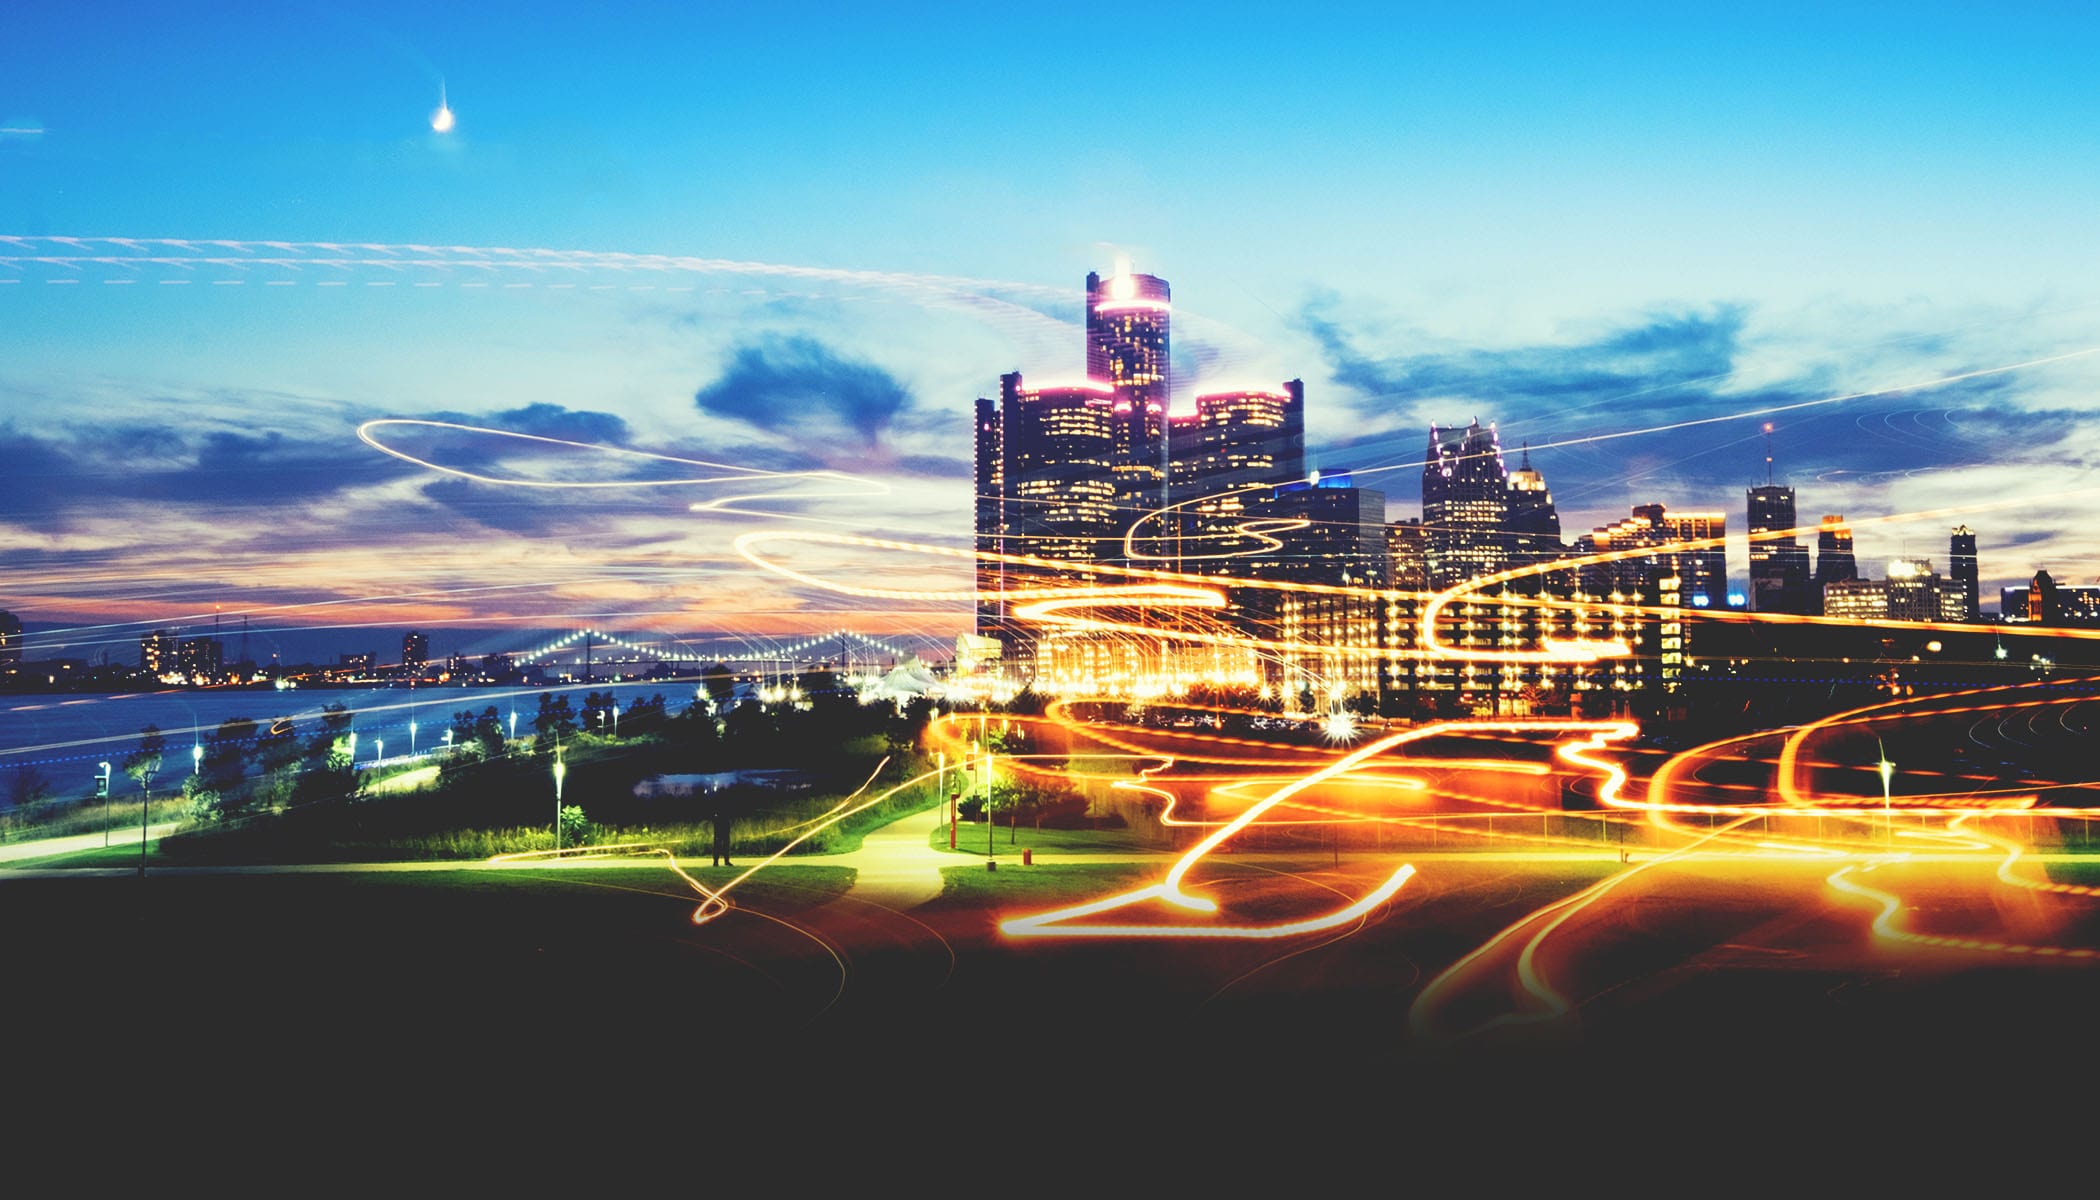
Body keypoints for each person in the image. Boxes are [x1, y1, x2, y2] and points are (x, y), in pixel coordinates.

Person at [710, 792, 733, 867]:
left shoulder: (717, 804)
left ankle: (717, 861)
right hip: (723, 824)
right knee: (724, 843)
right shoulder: (726, 805)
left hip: (720, 824)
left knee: (718, 843)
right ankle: (725, 861)